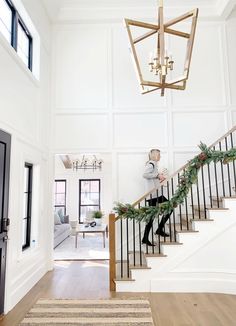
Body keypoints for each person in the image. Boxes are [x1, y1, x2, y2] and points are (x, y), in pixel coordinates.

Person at [142, 149, 172, 246]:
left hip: (154, 194)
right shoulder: (151, 164)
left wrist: (160, 177)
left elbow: (152, 177)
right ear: (155, 155)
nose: (160, 156)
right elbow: (145, 175)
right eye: (159, 155)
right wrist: (158, 175)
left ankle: (148, 236)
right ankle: (154, 232)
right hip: (153, 195)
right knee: (168, 208)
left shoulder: (153, 164)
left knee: (167, 208)